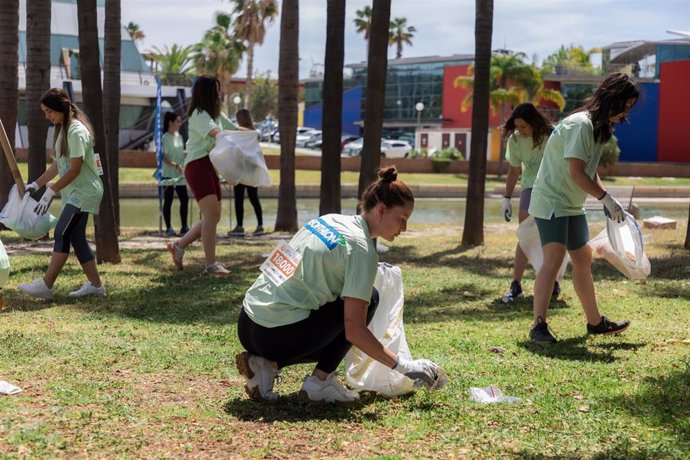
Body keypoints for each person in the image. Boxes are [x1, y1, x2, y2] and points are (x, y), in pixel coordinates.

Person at [235, 167, 442, 404]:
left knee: (344, 306)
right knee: (369, 300)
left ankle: (265, 365)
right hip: (272, 335)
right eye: (402, 220)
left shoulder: (328, 219)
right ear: (382, 210)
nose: (404, 229)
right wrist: (404, 366)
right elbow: (354, 331)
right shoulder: (362, 250)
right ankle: (320, 383)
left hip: (248, 321)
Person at [527, 72, 639, 344]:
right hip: (552, 200)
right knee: (553, 260)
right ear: (611, 98)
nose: (626, 112)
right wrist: (604, 198)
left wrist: (607, 198)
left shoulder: (599, 129)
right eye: (624, 105)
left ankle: (595, 322)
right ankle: (538, 326)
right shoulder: (581, 125)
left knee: (582, 259)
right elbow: (577, 173)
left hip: (571, 203)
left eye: (630, 107)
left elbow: (588, 172)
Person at [18, 88, 105, 300]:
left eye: (49, 111)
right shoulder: (62, 131)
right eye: (45, 112)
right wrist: (35, 185)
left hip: (84, 192)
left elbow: (75, 169)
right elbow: (57, 167)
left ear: (60, 108)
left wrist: (51, 190)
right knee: (76, 237)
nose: (47, 116)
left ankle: (46, 285)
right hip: (76, 192)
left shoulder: (76, 131)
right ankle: (96, 285)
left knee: (61, 233)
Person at [166, 75, 236, 276]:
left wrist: (252, 133)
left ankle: (178, 245)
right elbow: (218, 133)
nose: (219, 95)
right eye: (216, 91)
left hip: (209, 165)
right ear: (207, 93)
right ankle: (211, 264)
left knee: (212, 215)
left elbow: (233, 130)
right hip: (197, 166)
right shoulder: (199, 114)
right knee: (212, 215)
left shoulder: (216, 114)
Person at [500, 103, 560, 303]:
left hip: (552, 190)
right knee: (525, 235)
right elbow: (514, 170)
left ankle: (552, 281)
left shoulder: (552, 135)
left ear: (534, 123)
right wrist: (506, 198)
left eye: (523, 126)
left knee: (550, 237)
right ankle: (516, 284)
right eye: (517, 127)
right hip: (530, 188)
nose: (520, 131)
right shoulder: (515, 140)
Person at [228, 109, 264, 237]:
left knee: (242, 199)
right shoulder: (254, 133)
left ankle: (240, 226)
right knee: (252, 198)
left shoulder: (249, 133)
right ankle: (259, 225)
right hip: (250, 169)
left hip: (243, 170)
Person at [160, 111, 189, 237]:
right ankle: (168, 228)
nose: (180, 124)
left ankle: (184, 227)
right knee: (169, 201)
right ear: (170, 122)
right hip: (168, 174)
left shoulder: (180, 137)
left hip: (180, 175)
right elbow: (164, 157)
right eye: (177, 121)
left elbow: (181, 153)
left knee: (185, 199)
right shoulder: (165, 138)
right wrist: (175, 166)